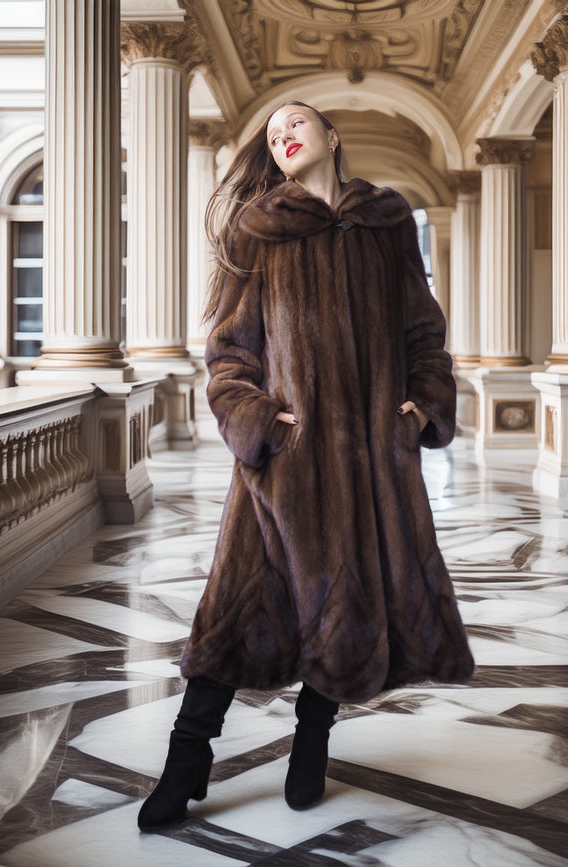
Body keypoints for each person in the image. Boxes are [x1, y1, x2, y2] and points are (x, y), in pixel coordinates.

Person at [137, 100, 474, 832]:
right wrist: (258, 420)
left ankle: (312, 741)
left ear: (331, 136)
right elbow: (228, 355)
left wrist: (419, 410)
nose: (283, 135)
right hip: (284, 466)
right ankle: (186, 759)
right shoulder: (259, 233)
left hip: (372, 467)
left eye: (297, 123)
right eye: (272, 132)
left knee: (346, 608)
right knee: (233, 613)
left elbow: (424, 330)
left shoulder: (388, 227)